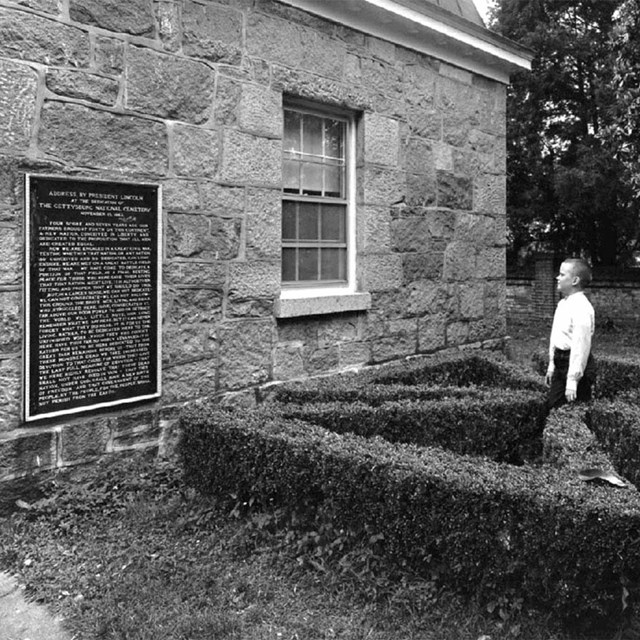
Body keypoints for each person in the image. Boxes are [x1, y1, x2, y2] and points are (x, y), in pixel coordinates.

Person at [545, 257, 596, 410]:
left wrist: (573, 380)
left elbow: (580, 346)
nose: (557, 278)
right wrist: (552, 365)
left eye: (562, 275)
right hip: (561, 360)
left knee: (575, 408)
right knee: (554, 406)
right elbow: (556, 337)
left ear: (574, 280)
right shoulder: (562, 304)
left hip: (574, 363)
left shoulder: (582, 308)